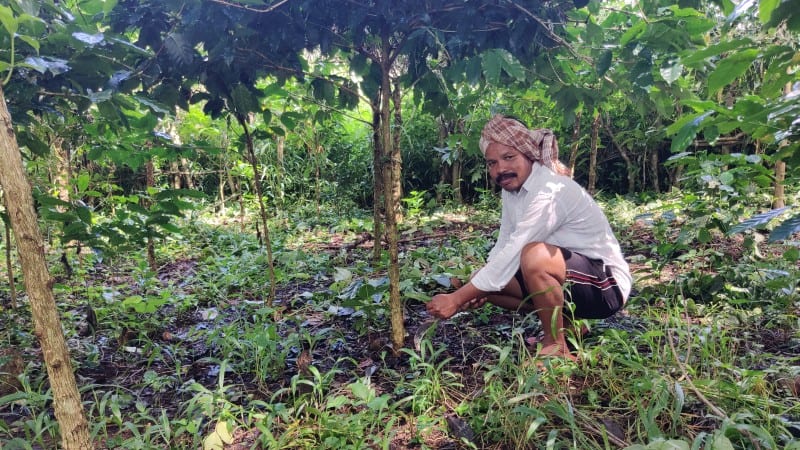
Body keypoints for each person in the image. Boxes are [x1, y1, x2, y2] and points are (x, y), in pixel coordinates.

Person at [426, 114, 632, 361]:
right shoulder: (512, 192)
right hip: (572, 280)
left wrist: (457, 299)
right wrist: (472, 289)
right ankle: (569, 326)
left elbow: (518, 249)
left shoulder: (550, 190)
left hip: (606, 286)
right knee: (482, 280)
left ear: (528, 155)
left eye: (508, 157)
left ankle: (556, 347)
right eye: (492, 163)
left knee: (534, 255)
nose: (500, 169)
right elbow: (504, 244)